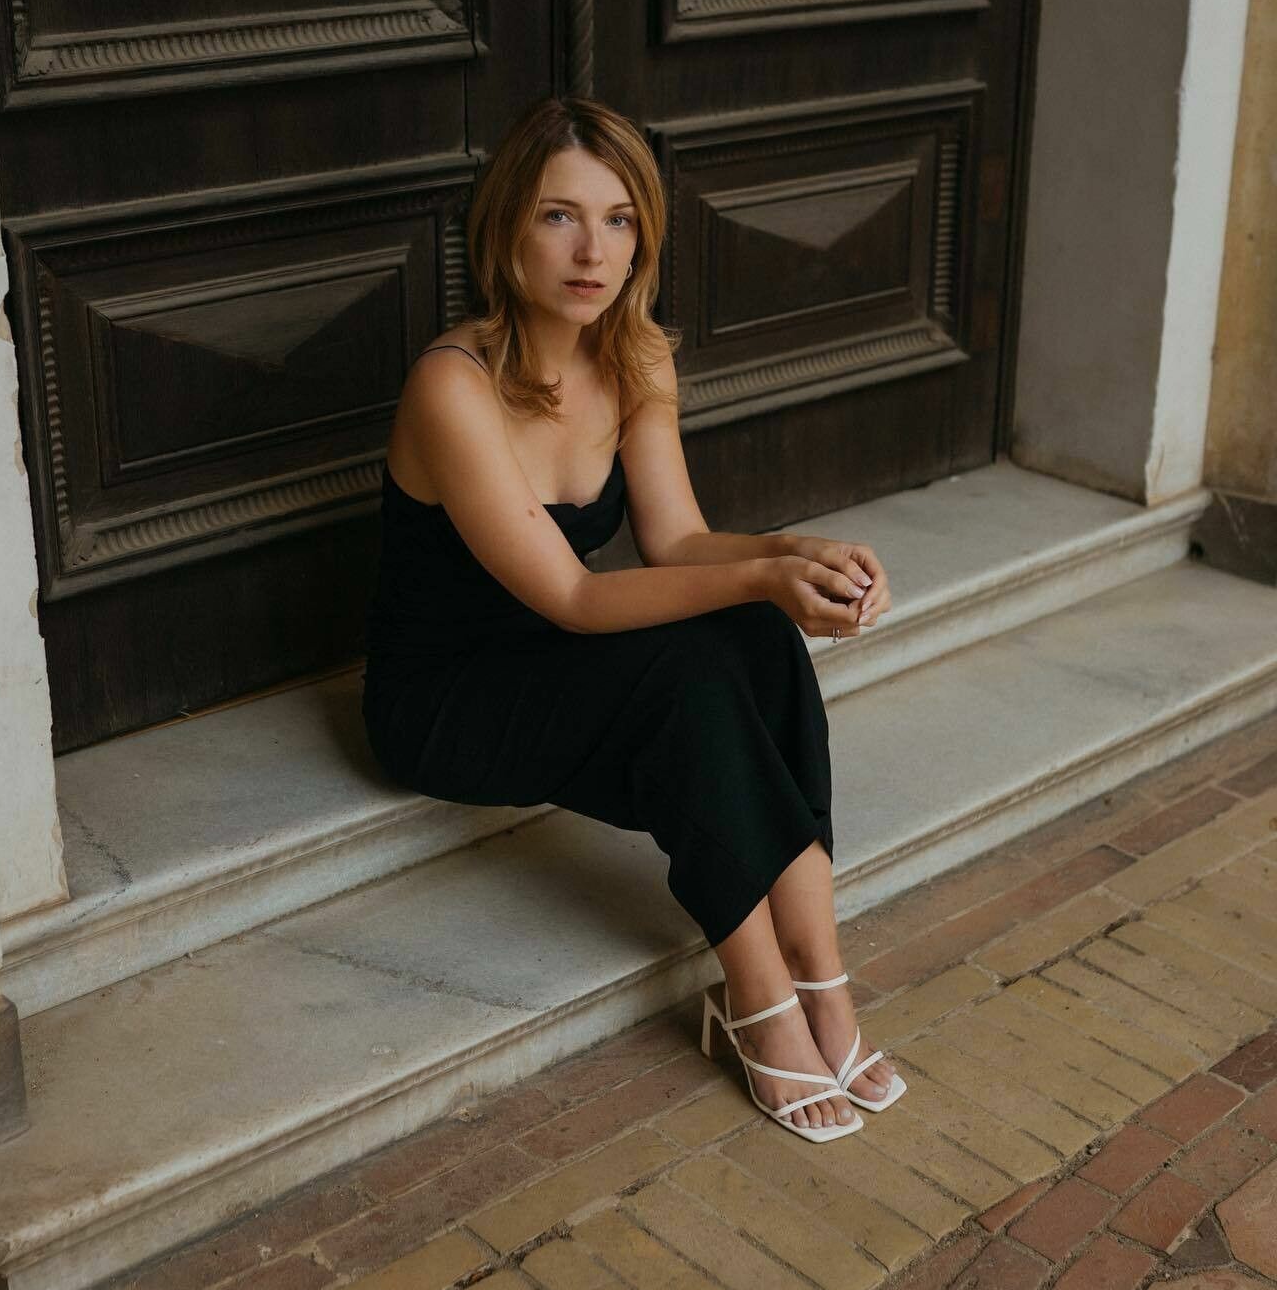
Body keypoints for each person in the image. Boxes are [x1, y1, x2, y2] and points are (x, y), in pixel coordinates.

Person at [362, 95, 904, 1140]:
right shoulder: (451, 385)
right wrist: (764, 576)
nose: (592, 251)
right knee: (688, 678)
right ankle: (757, 999)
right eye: (559, 216)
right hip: (447, 697)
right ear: (506, 228)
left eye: (618, 221)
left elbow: (680, 541)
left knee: (756, 636)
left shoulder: (637, 356)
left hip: (559, 657)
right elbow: (574, 596)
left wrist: (800, 555)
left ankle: (822, 978)